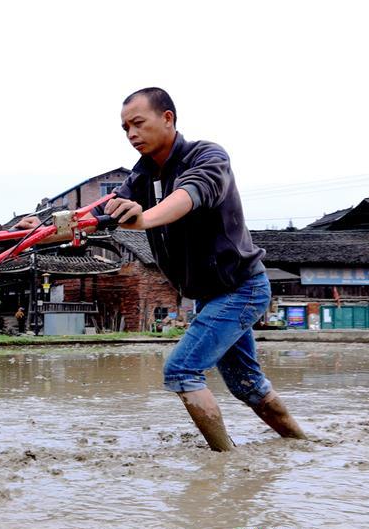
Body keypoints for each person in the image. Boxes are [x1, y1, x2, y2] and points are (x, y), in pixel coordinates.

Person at [17, 87, 307, 451]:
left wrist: (144, 218)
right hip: (210, 296)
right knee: (246, 386)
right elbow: (96, 215)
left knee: (182, 371)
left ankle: (227, 463)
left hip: (240, 287)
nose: (131, 134)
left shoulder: (206, 156)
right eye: (125, 129)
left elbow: (188, 196)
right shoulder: (141, 176)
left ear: (167, 118)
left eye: (138, 123)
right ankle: (303, 444)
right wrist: (43, 230)